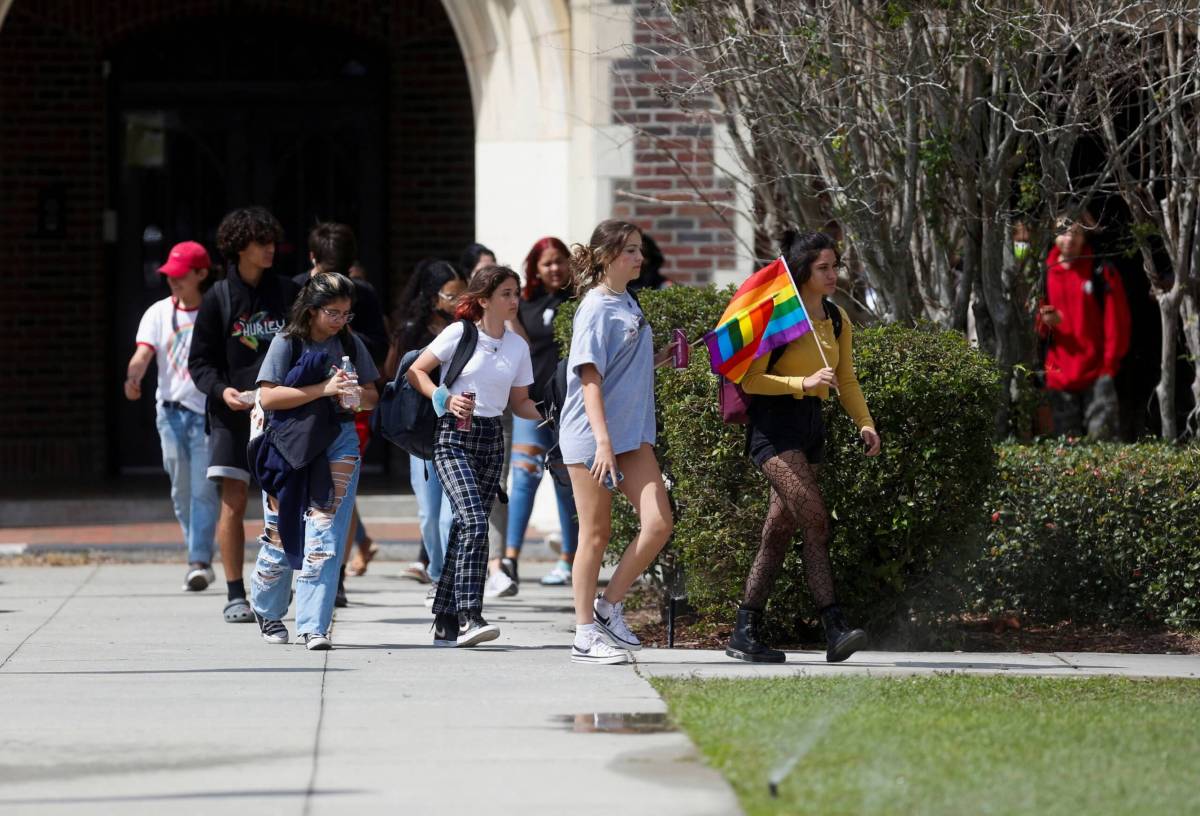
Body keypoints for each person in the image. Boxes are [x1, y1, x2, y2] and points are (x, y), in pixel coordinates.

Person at [730, 230, 881, 664]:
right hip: (774, 429)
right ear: (803, 272)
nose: (834, 275)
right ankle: (834, 627)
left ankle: (745, 630)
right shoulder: (781, 316)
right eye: (824, 268)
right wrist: (804, 382)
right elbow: (750, 379)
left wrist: (866, 423)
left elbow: (846, 380)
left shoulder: (836, 319)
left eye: (836, 266)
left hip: (811, 428)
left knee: (778, 532)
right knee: (815, 519)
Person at [559, 219, 678, 665]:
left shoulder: (627, 300)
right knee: (594, 535)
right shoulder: (594, 307)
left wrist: (660, 359)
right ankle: (584, 633)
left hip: (631, 435)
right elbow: (589, 378)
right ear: (607, 256)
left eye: (639, 250)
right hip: (594, 436)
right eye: (630, 250)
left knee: (659, 523)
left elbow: (621, 366)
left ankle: (608, 607)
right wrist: (603, 443)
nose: (639, 258)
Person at [406, 265, 541, 647]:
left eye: (517, 294)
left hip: (491, 438)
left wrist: (553, 414)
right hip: (453, 437)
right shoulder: (460, 333)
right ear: (483, 300)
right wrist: (444, 399)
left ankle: (445, 621)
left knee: (467, 528)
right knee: (475, 522)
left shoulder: (517, 346)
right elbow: (416, 372)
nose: (514, 301)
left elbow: (520, 403)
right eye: (506, 294)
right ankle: (470, 615)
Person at [249, 272, 379, 650]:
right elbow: (269, 398)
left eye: (346, 314)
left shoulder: (350, 344)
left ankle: (313, 626)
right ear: (311, 310)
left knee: (324, 535)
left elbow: (373, 395)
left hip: (338, 439)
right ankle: (268, 609)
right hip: (286, 444)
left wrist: (355, 396)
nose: (340, 321)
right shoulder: (287, 342)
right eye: (333, 313)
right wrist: (323, 389)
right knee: (278, 535)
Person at [189, 207, 299, 624]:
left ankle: (277, 582)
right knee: (233, 500)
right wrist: (222, 391)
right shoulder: (218, 298)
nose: (270, 248)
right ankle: (235, 593)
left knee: (283, 501)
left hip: (281, 411)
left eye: (273, 241)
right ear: (239, 248)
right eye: (261, 242)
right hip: (231, 413)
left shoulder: (288, 293)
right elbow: (200, 363)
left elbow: (304, 350)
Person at [292, 223, 388, 602]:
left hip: (349, 404)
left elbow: (380, 344)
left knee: (340, 490)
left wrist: (342, 342)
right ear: (313, 261)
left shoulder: (360, 295)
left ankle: (338, 575)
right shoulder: (298, 290)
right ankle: (300, 566)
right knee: (300, 489)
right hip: (301, 404)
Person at [124, 241, 220, 592]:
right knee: (181, 491)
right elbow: (143, 353)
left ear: (201, 274)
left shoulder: (213, 311)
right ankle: (199, 551)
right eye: (169, 275)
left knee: (203, 490)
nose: (173, 281)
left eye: (181, 275)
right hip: (169, 414)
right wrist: (134, 376)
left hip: (205, 413)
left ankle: (199, 561)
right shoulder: (158, 313)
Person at [386, 259, 467, 599]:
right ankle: (435, 570)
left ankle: (443, 581)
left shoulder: (467, 330)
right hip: (421, 433)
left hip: (455, 430)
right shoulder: (412, 332)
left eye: (462, 294)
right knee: (428, 516)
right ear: (434, 298)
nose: (459, 302)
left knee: (451, 517)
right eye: (452, 296)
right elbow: (392, 375)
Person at [504, 237, 579, 587]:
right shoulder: (523, 304)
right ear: (534, 267)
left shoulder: (579, 301)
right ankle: (509, 559)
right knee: (523, 478)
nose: (555, 268)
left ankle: (569, 559)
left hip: (569, 405)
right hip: (531, 405)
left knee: (566, 482)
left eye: (560, 261)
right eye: (547, 263)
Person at [1036, 211, 1131, 439]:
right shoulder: (1041, 274)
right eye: (1062, 232)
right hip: (1058, 374)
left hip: (1097, 371)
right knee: (1064, 448)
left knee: (1103, 444)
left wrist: (1109, 365)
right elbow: (1035, 326)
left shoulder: (1100, 270)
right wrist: (1044, 322)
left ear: (1085, 236)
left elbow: (1116, 321)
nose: (1069, 238)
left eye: (1075, 232)